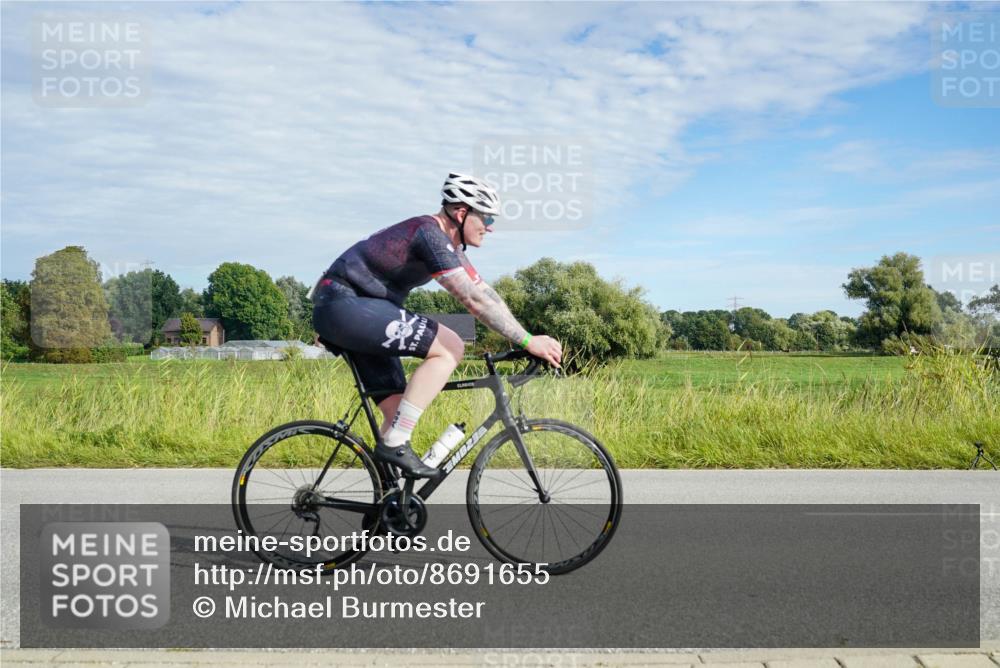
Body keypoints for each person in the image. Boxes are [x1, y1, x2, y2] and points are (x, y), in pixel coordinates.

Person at [311, 173, 562, 478]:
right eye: (487, 217)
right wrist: (527, 341)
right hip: (345, 305)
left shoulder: (448, 246)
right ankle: (395, 444)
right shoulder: (429, 235)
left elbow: (486, 294)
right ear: (461, 213)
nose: (491, 227)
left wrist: (526, 336)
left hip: (359, 309)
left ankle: (388, 508)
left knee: (397, 410)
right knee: (451, 346)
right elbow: (473, 300)